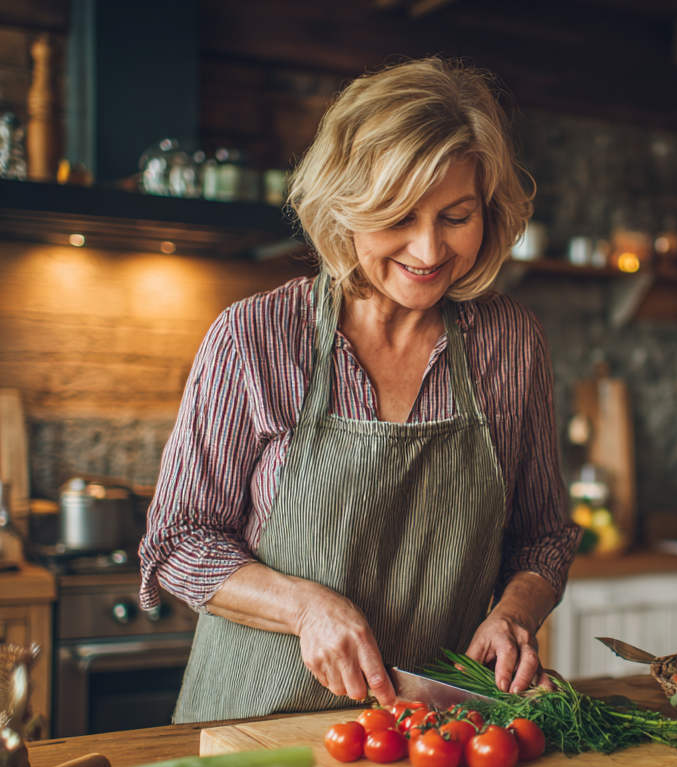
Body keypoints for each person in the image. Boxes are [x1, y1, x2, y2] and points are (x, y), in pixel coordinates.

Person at [139, 57, 580, 723]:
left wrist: (514, 615)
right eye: (398, 217)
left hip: (424, 740)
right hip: (253, 732)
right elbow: (177, 541)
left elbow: (543, 536)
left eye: (456, 216)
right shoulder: (255, 337)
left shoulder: (510, 344)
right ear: (345, 207)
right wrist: (304, 607)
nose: (429, 249)